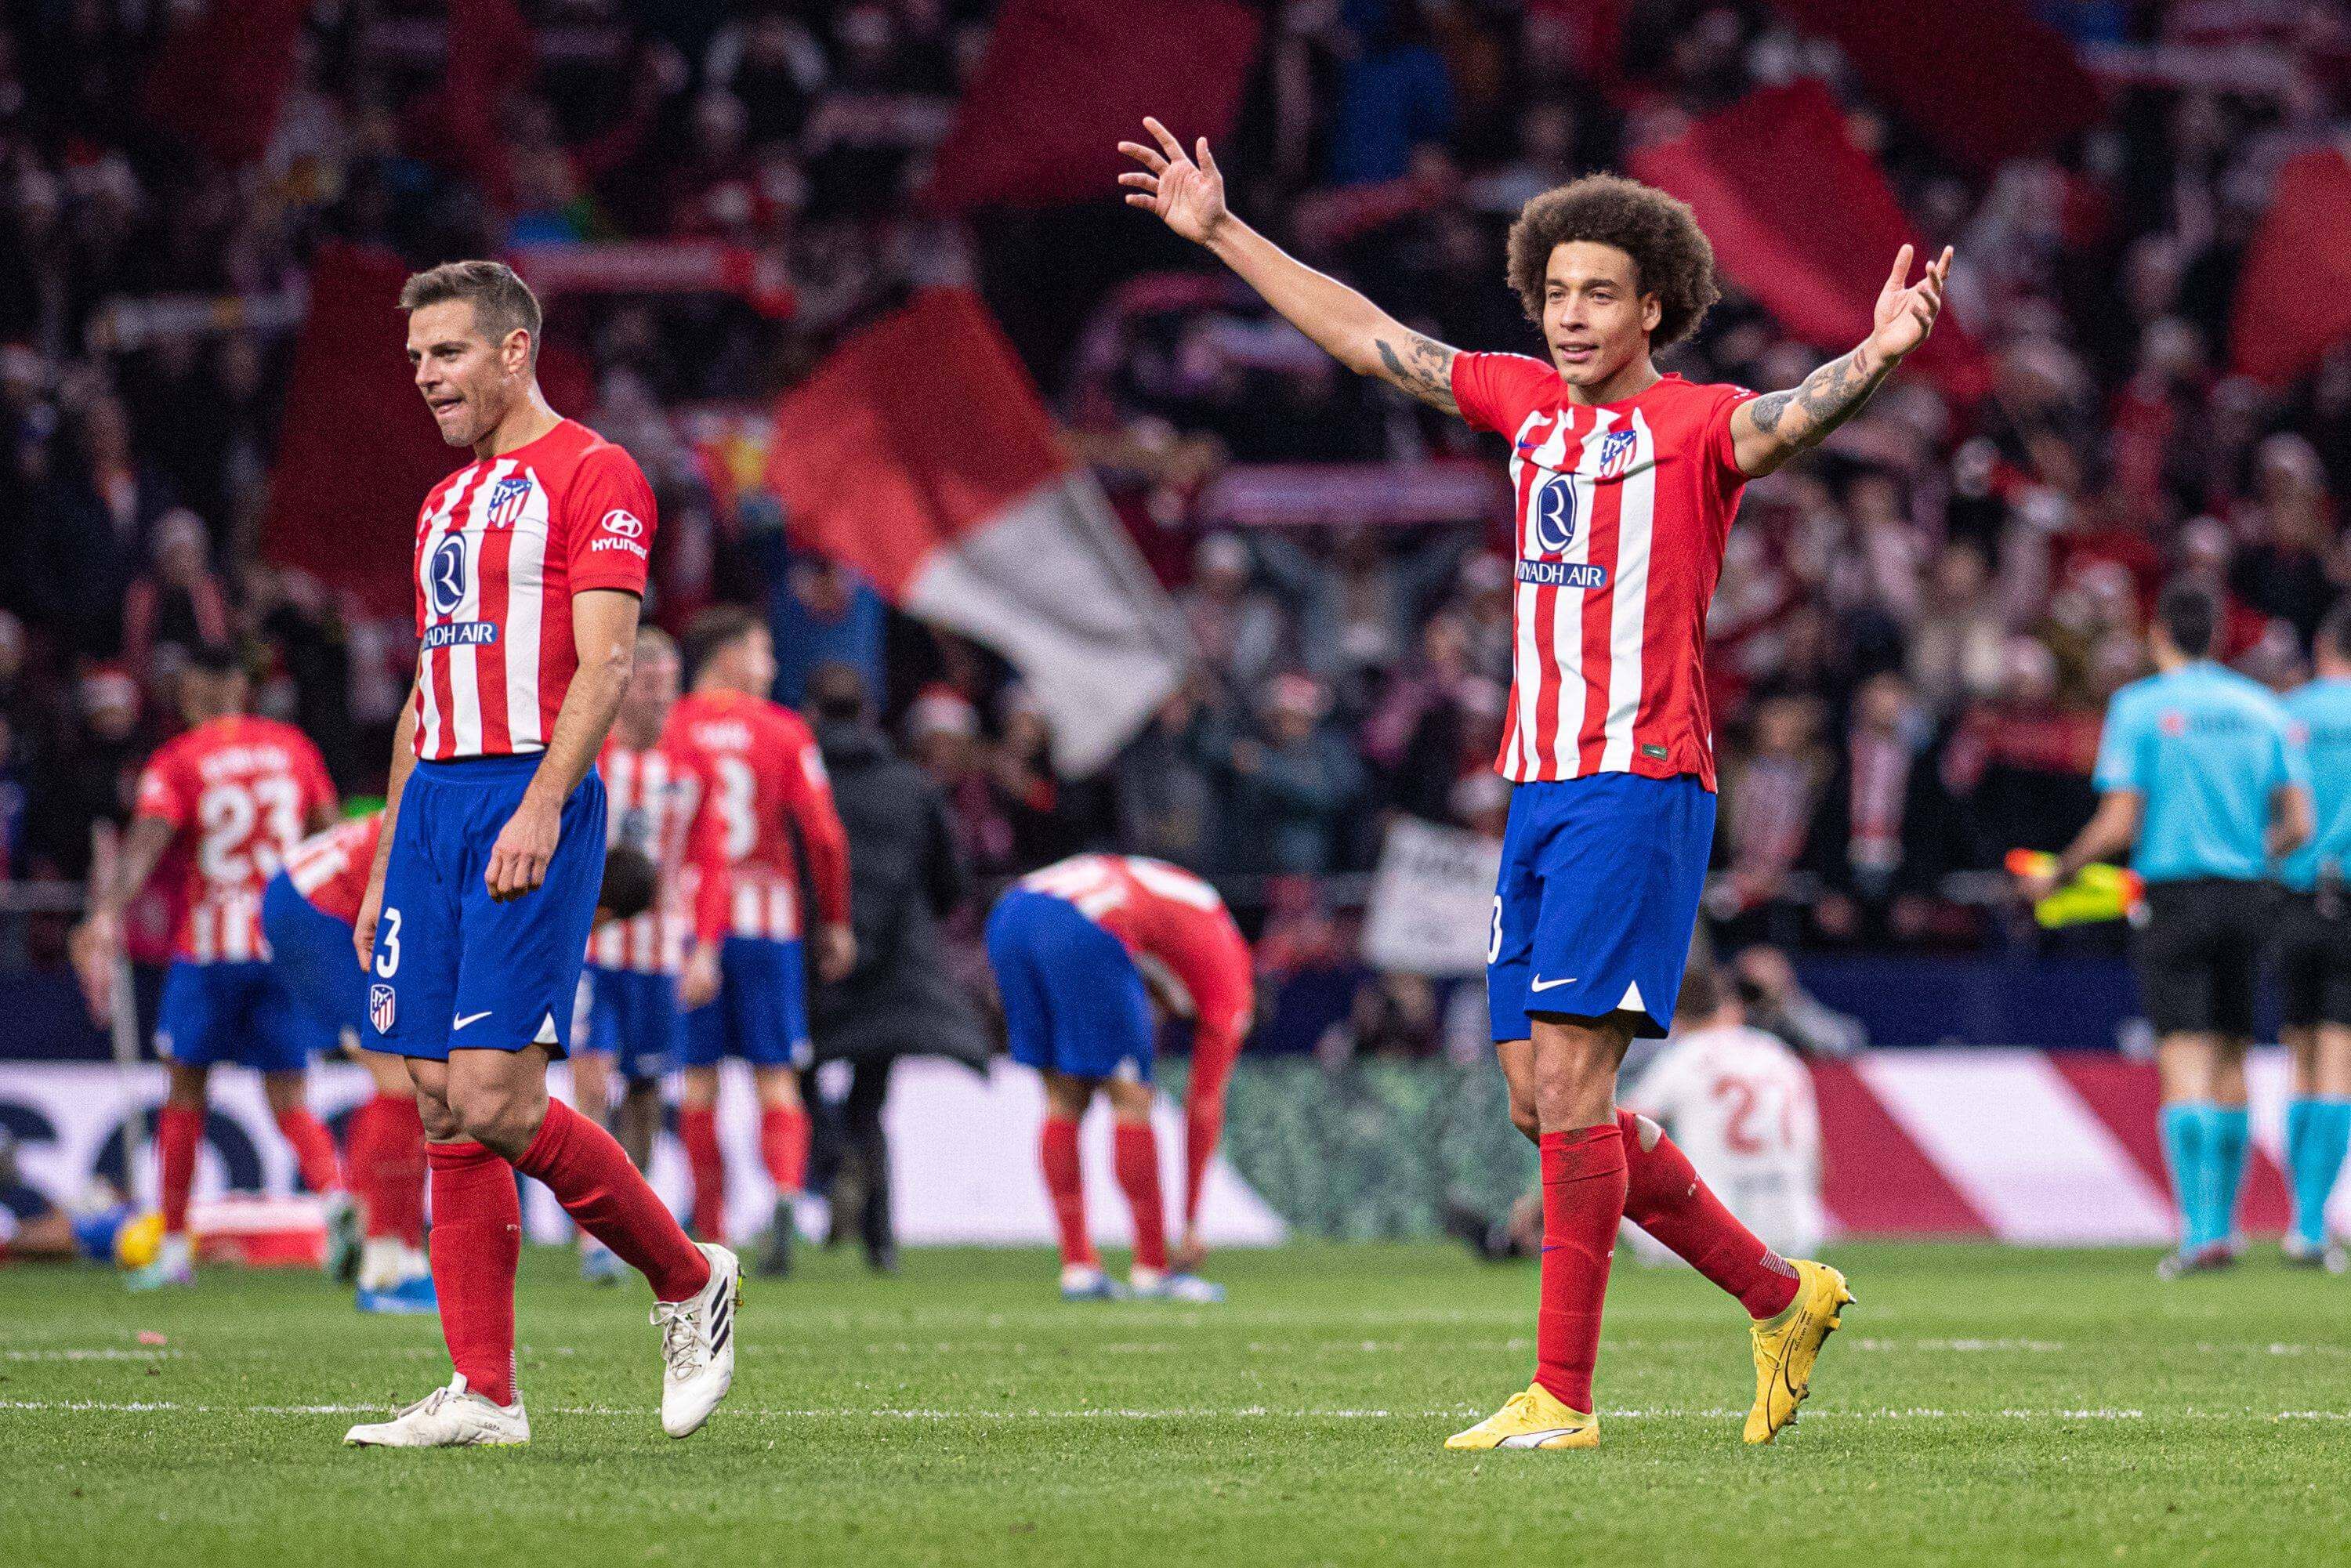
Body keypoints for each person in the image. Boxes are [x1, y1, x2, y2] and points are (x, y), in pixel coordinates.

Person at [1121, 118, 1943, 1447]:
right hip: (1541, 791)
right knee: (1541, 1102)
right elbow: (1366, 334)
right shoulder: (1522, 404)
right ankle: (1781, 1295)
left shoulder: (1692, 426)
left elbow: (1787, 419)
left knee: (1569, 1094)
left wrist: (1878, 355)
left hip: (1639, 781)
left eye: (1598, 294)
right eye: (1556, 291)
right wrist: (1222, 232)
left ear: (1653, 307)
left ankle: (1562, 1399)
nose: (1570, 315)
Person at [343, 260, 734, 1450]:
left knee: (496, 1098)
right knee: (437, 1100)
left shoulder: (595, 472)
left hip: (527, 793)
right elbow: (426, 690)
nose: (428, 377)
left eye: (449, 352)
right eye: (418, 358)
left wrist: (544, 804)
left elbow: (608, 663)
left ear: (515, 350)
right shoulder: (443, 502)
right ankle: (485, 1394)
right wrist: (384, 858)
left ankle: (688, 1281)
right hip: (434, 808)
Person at [2020, 580, 2310, 1279]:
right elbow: (2299, 824)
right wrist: (2251, 856)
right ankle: (2229, 1228)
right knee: (2234, 1056)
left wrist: (2059, 872)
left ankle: (2198, 1234)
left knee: (2183, 1057)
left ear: (2157, 635)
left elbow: (2120, 821)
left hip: (2174, 899)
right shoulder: (2262, 708)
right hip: (2247, 896)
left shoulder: (2139, 706)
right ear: (2218, 636)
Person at [266, 811, 661, 1311]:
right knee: (403, 1077)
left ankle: (371, 1228)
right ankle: (387, 1265)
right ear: (602, 911)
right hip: (322, 909)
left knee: (416, 1073)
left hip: (321, 891)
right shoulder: (537, 864)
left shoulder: (542, 834)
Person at [69, 644, 347, 1293]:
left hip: (208, 950)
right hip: (279, 946)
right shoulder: (292, 749)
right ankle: (339, 1207)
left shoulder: (179, 758)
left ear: (193, 690)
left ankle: (172, 1249)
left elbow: (146, 842)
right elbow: (329, 835)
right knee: (290, 1097)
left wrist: (106, 913)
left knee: (185, 1094)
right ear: (242, 689)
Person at [668, 605, 853, 1275]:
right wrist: (835, 919)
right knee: (776, 1076)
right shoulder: (783, 729)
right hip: (769, 919)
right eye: (762, 651)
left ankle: (712, 1227)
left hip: (690, 921)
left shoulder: (670, 726)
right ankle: (783, 1195)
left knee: (698, 1080)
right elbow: (824, 834)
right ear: (727, 656)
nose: (771, 667)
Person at [984, 852, 1253, 1303]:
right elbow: (1204, 1104)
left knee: (1063, 1096)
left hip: (1010, 913)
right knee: (1130, 1096)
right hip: (1083, 921)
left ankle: (1078, 1268)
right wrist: (1191, 1223)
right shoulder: (1230, 986)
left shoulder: (1196, 912)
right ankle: (1153, 1268)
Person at [802, 663, 989, 1275]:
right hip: (895, 969)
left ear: (810, 713)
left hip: (813, 960)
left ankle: (831, 1162)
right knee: (871, 1100)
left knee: (797, 1082)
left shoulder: (801, 781)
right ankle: (880, 1241)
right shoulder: (912, 786)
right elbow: (952, 883)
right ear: (869, 714)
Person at [574, 625, 731, 1284]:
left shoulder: (692, 764)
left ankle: (622, 1218)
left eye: (668, 685)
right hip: (590, 948)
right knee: (591, 1077)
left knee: (644, 1088)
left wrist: (706, 949)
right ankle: (590, 1235)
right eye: (647, 684)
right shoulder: (587, 754)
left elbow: (711, 861)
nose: (660, 698)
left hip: (660, 955)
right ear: (622, 685)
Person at [1624, 958, 1824, 1261]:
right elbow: (1817, 1155)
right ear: (1730, 1007)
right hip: (1795, 1231)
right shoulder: (1779, 1053)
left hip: (1712, 1235)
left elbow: (1621, 1128)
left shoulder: (1685, 1056)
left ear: (1677, 1017)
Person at [2272, 599, 2351, 1271]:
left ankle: (2296, 1212)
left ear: (2323, 645)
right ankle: (2308, 1223)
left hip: (2288, 898)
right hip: (2347, 901)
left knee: (2299, 1054)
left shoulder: (2285, 713)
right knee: (2338, 1058)